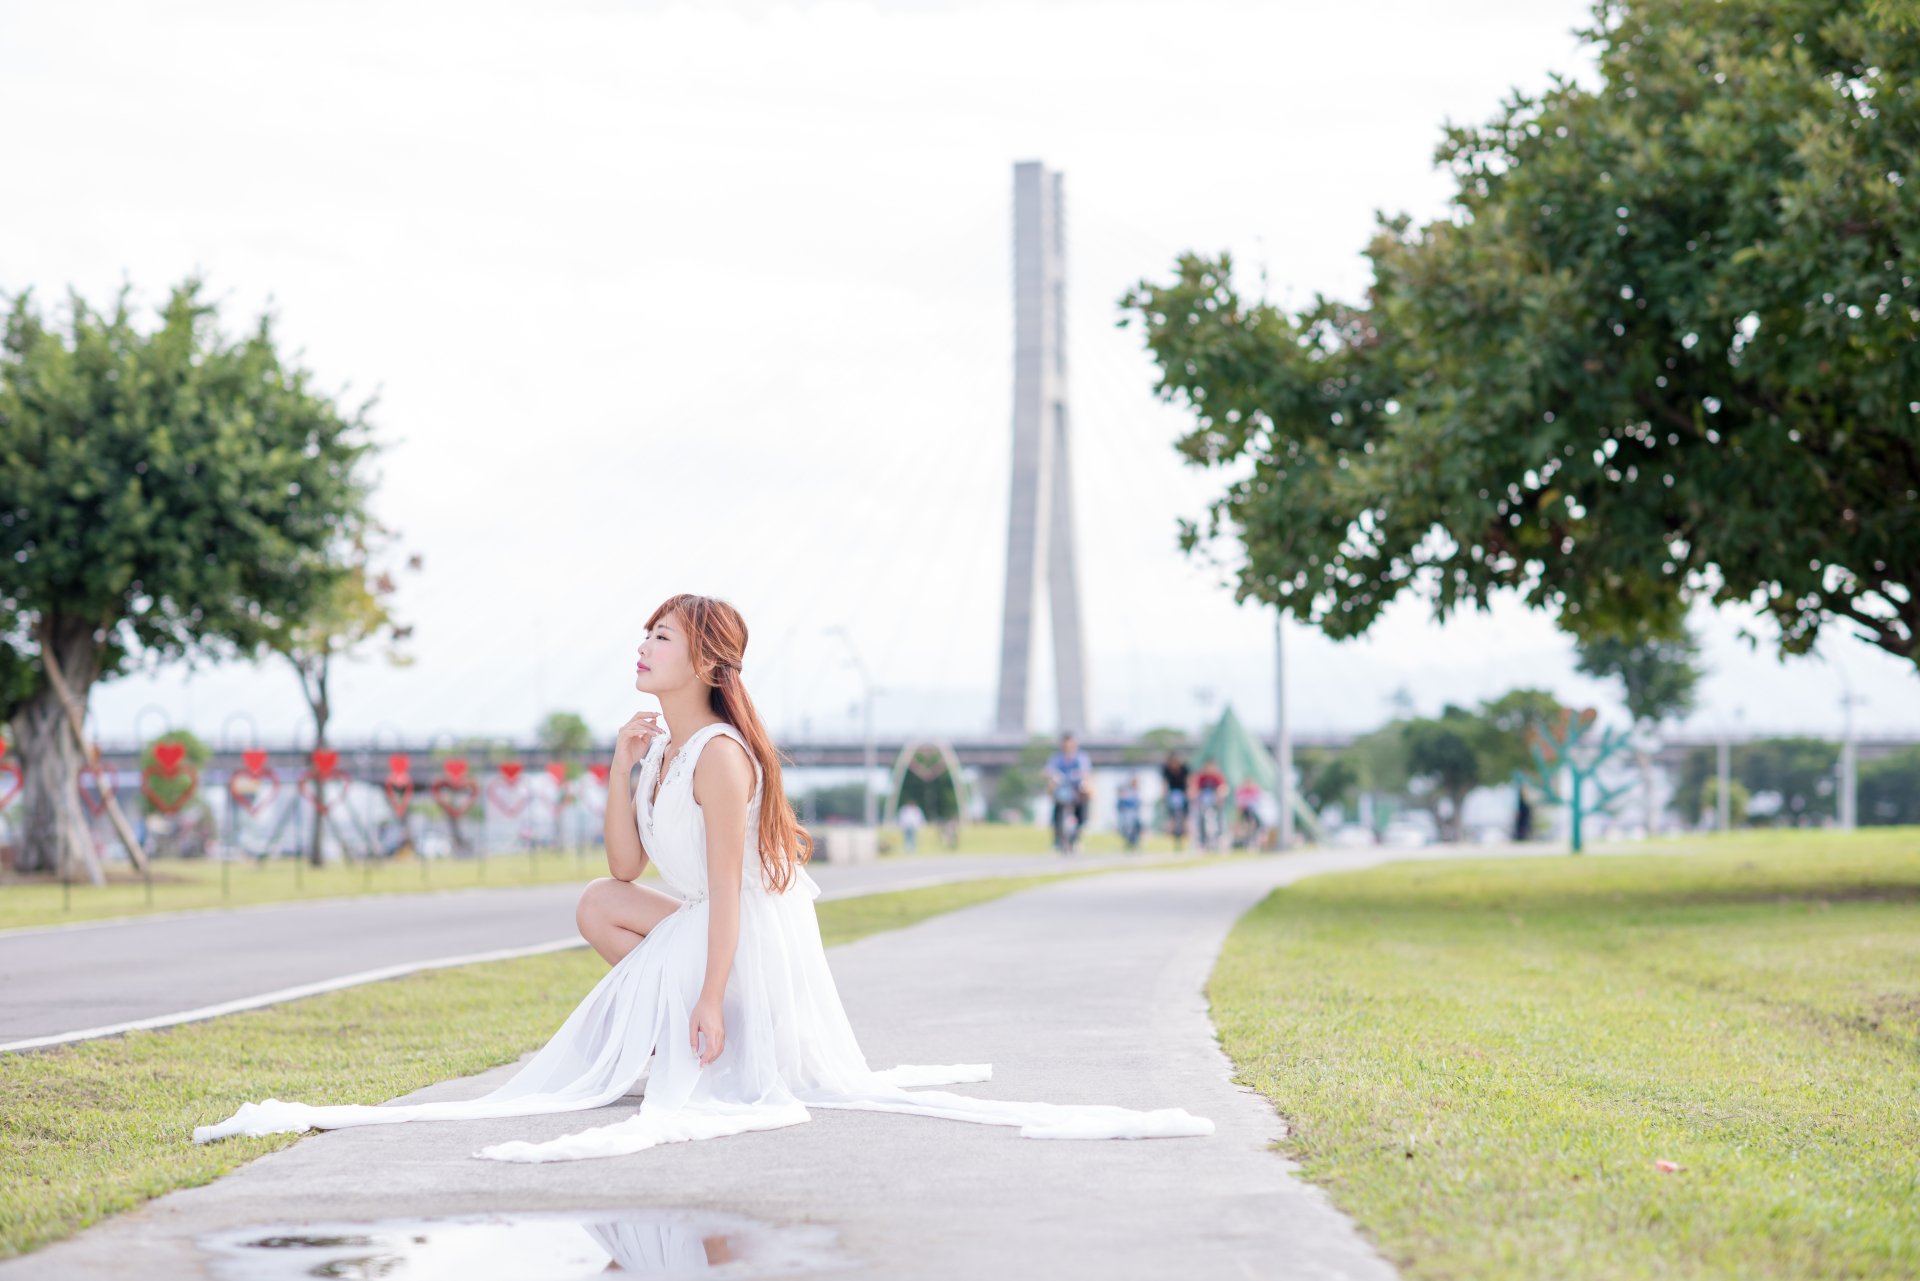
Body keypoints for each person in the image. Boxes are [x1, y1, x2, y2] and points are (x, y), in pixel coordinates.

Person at [192, 595, 1212, 1161]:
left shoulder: (723, 755)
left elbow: (731, 892)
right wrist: (620, 769)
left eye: (662, 638)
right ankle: (671, 1030)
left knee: (662, 948)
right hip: (695, 915)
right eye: (645, 635)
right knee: (593, 904)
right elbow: (622, 872)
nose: (642, 646)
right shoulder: (665, 751)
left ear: (706, 663)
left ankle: (696, 1037)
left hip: (750, 940)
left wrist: (716, 996)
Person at [1044, 732, 1093, 853]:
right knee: (1054, 794)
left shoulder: (1081, 757)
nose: (1067, 746)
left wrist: (1081, 776)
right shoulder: (1057, 757)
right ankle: (1058, 837)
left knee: (1086, 790)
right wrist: (1052, 775)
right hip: (1063, 788)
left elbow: (1086, 771)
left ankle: (1080, 830)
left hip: (1076, 788)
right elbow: (1048, 770)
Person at [1192, 758, 1227, 852]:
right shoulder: (1201, 777)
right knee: (1201, 817)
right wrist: (1195, 795)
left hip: (1215, 802)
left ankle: (1220, 837)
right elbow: (1195, 789)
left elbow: (1223, 788)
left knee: (1220, 817)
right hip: (1203, 803)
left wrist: (1220, 795)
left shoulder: (1217, 777)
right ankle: (1202, 841)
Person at [1160, 752, 1191, 850]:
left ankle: (1186, 833)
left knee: (1185, 816)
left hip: (1182, 793)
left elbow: (1188, 782)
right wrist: (1164, 796)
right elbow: (1164, 784)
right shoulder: (1166, 770)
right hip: (1172, 793)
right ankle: (1172, 832)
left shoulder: (1184, 769)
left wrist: (1188, 793)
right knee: (1172, 815)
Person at [1115, 776, 1143, 850]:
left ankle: (1134, 842)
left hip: (1133, 814)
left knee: (1134, 828)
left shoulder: (1136, 792)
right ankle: (1129, 841)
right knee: (1127, 828)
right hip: (1127, 813)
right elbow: (1121, 803)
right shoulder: (1127, 791)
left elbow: (1138, 804)